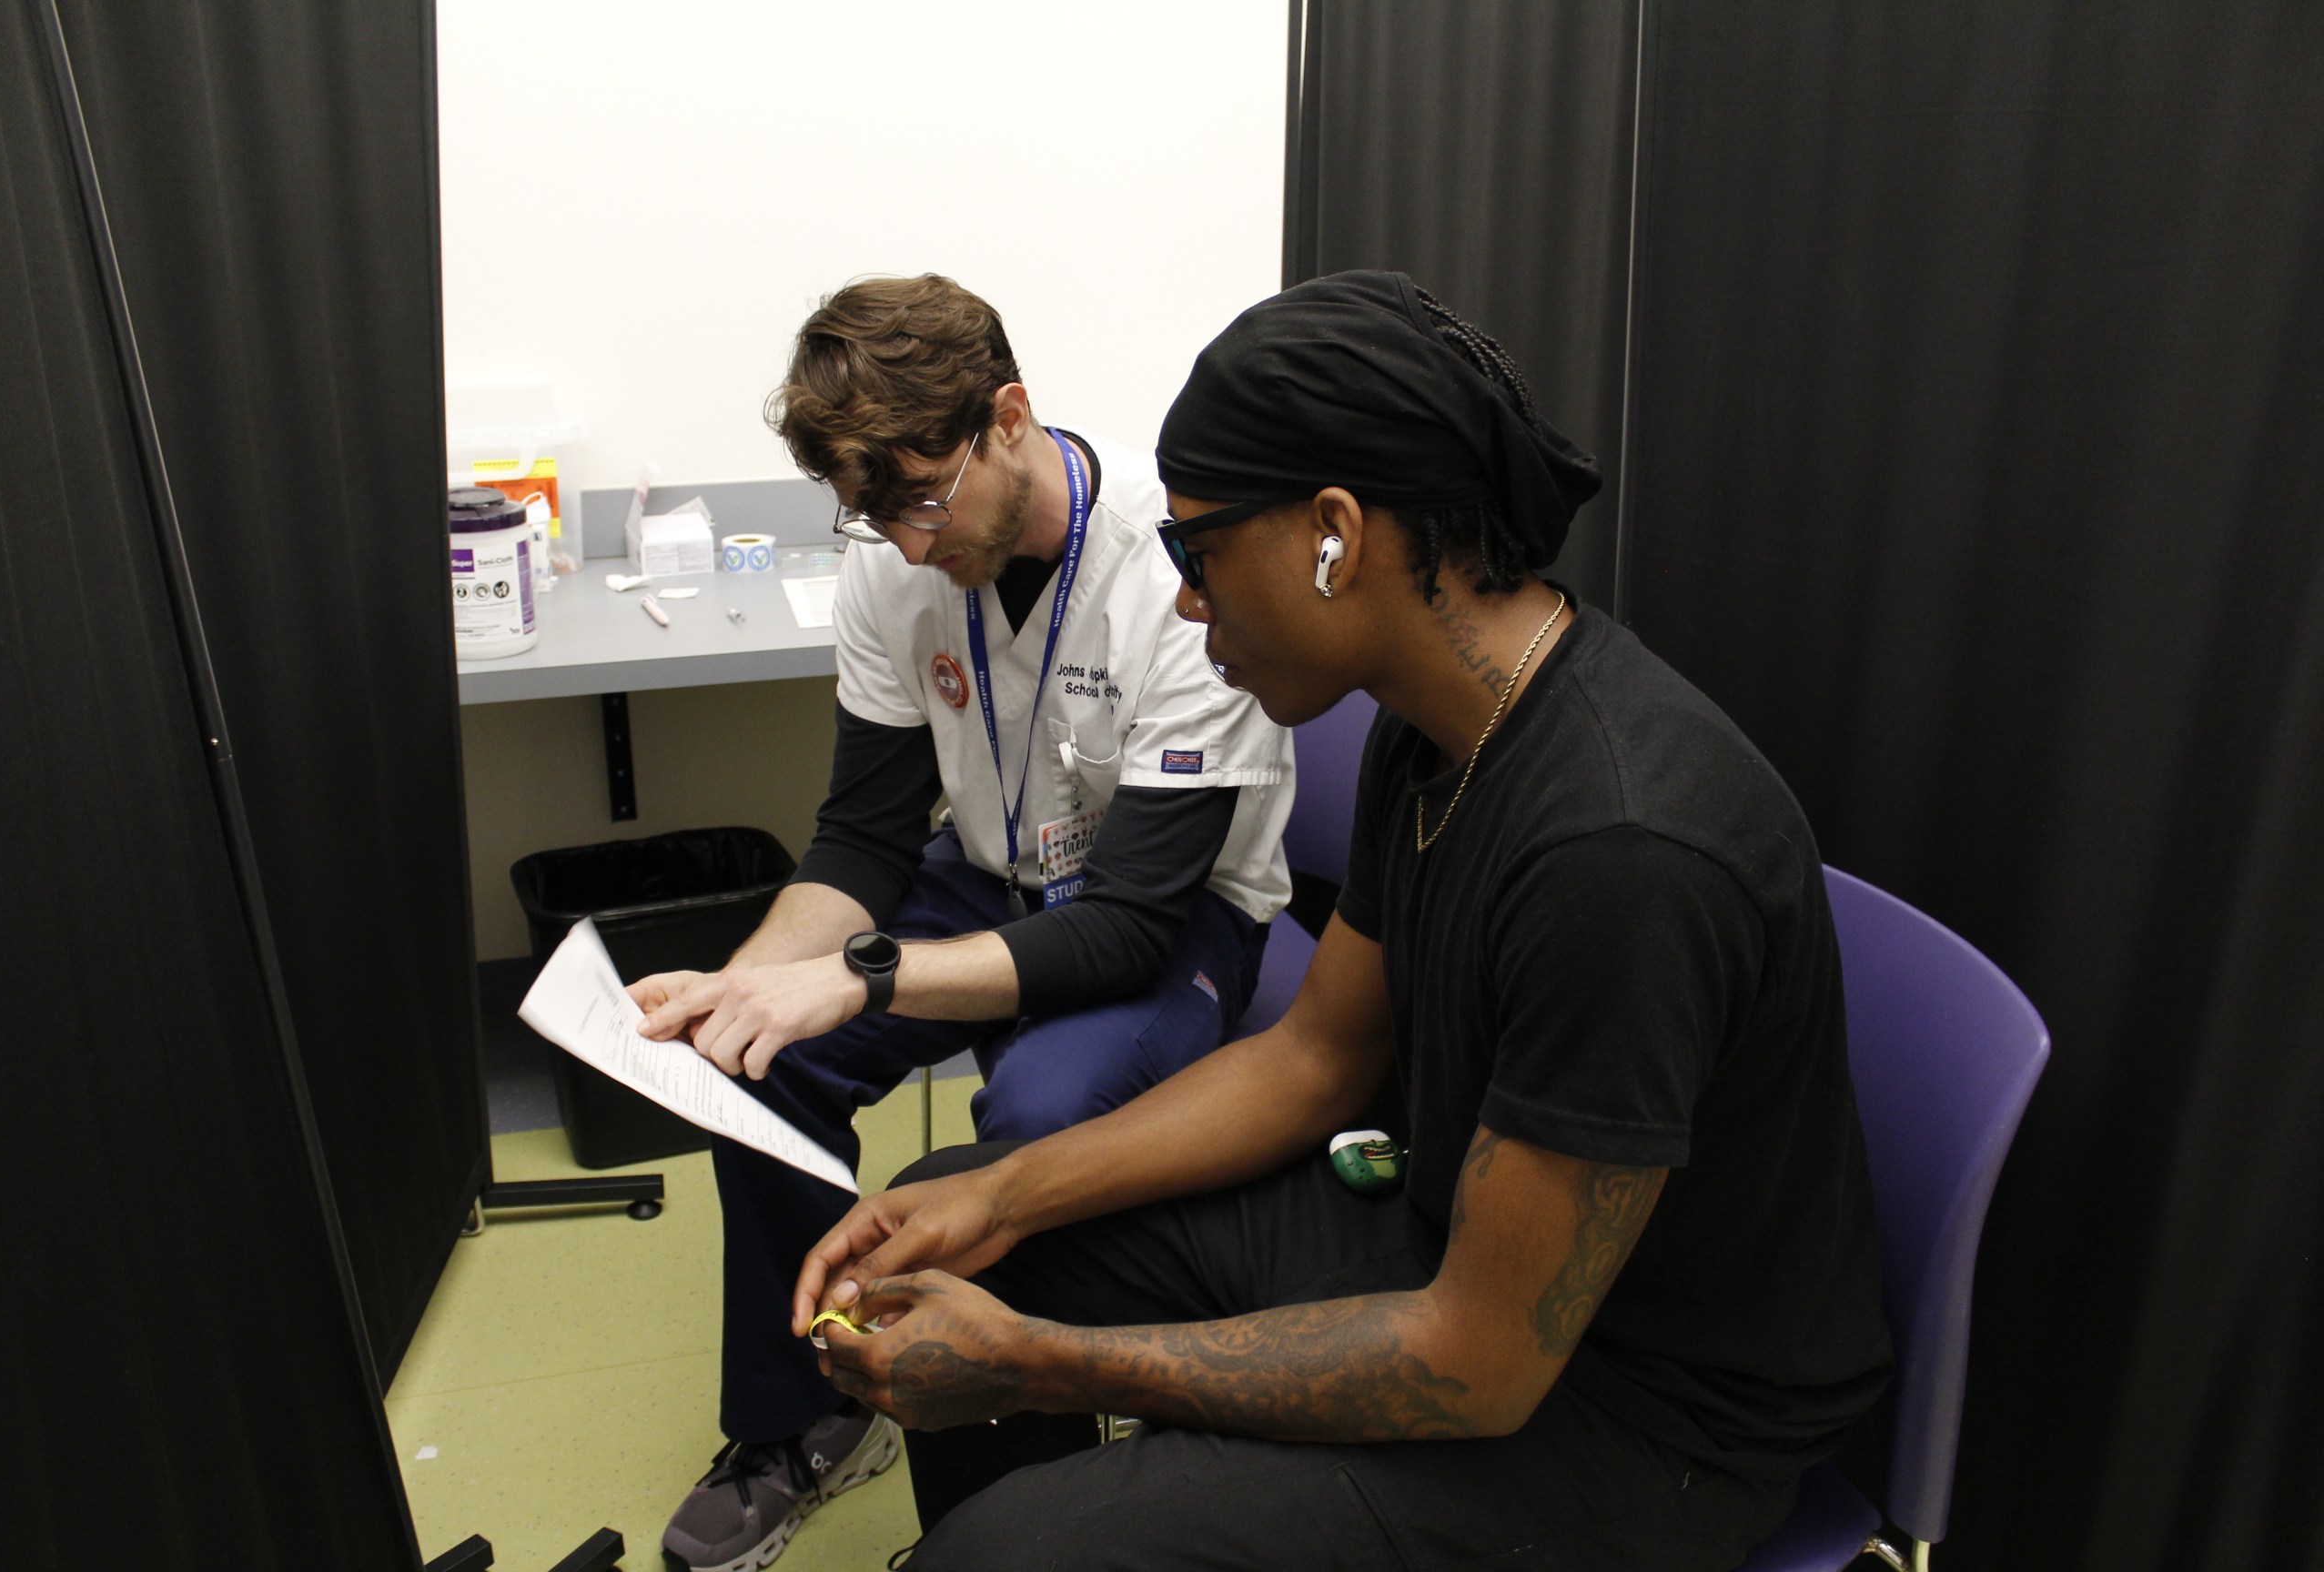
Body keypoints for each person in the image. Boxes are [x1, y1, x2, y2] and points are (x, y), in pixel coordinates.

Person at [792, 271, 1894, 1571]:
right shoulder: (1434, 733)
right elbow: (1319, 1059)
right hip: (1449, 1249)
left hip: (1638, 1419)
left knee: (1014, 1545)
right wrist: (1007, 1194)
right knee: (953, 1216)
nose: (1187, 605)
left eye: (1201, 558)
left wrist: (1039, 1369)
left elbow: (1479, 1368)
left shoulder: (1619, 852)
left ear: (1334, 533)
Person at [631, 274, 1295, 1572]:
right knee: (757, 1064)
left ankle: (1025, 1501)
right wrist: (748, 983)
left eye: (922, 497)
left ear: (1009, 417)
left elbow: (1122, 936)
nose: (907, 542)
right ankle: (802, 1414)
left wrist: (862, 979)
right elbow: (864, 841)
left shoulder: (1174, 584)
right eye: (868, 513)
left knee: (1038, 1114)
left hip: (1164, 913)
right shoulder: (894, 560)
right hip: (984, 873)